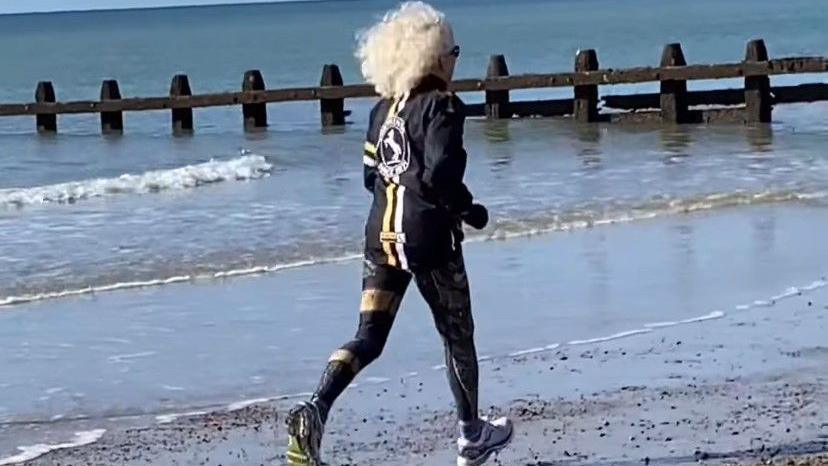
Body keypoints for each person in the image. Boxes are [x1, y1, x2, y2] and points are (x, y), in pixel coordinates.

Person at [285, 2, 513, 465]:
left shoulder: (381, 111)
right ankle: (472, 436)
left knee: (368, 335)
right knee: (456, 335)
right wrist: (470, 210)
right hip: (429, 240)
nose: (455, 59)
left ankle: (315, 408)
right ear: (434, 56)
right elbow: (440, 173)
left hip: (380, 238)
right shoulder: (443, 107)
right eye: (453, 51)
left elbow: (371, 177)